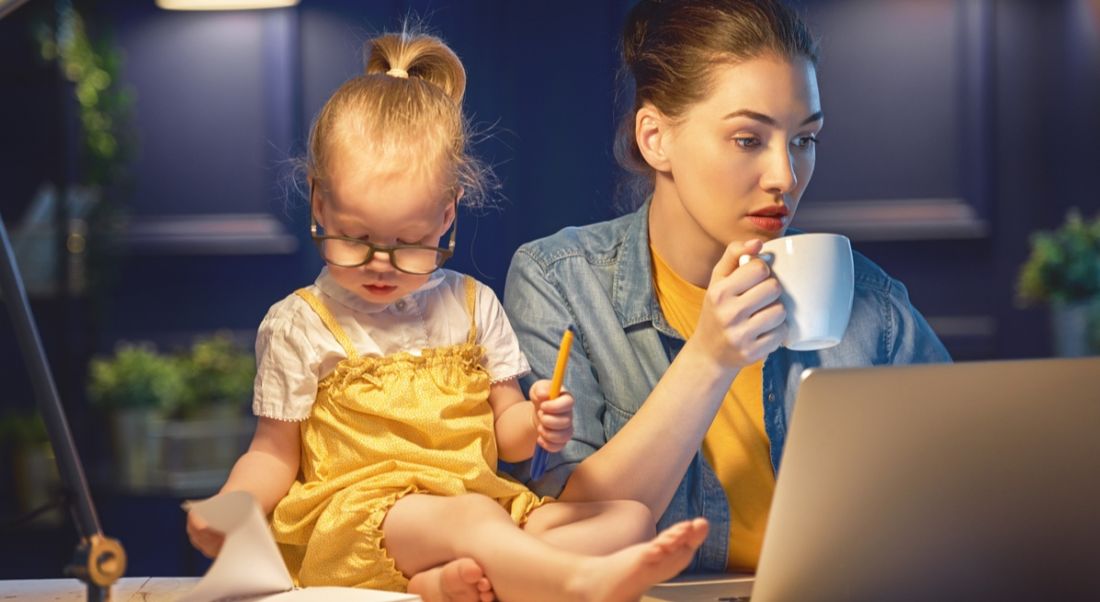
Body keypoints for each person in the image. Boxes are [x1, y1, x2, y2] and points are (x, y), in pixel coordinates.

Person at [185, 30, 709, 602]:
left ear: (446, 214)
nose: (380, 264)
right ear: (318, 202)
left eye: (409, 242)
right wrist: (231, 509)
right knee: (469, 521)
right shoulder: (300, 324)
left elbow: (507, 438)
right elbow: (271, 453)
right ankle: (571, 582)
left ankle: (444, 584)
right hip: (365, 525)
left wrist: (536, 424)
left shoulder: (472, 306)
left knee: (628, 518)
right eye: (355, 238)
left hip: (479, 508)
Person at [503, 0, 952, 575]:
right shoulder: (560, 280)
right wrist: (710, 359)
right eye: (748, 139)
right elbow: (566, 538)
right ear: (655, 137)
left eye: (804, 139)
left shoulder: (872, 304)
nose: (785, 177)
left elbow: (967, 490)